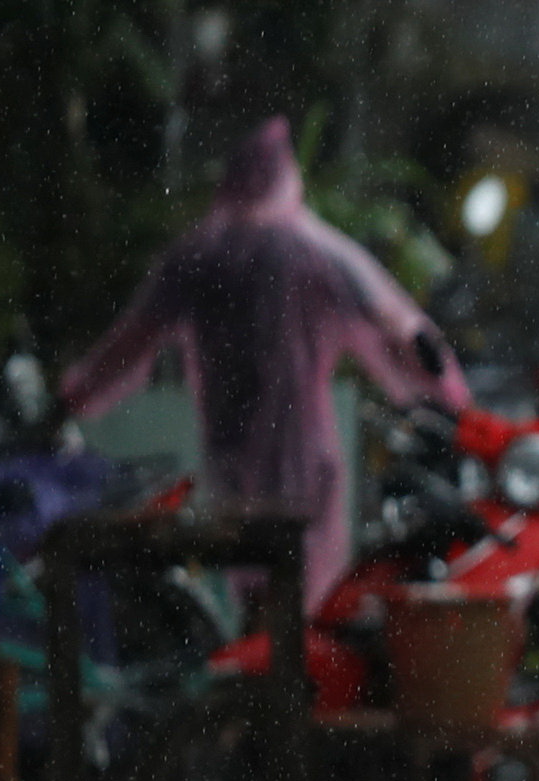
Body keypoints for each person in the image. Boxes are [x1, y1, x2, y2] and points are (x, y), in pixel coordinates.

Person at [61, 118, 470, 601]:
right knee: (304, 588)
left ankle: (259, 661)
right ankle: (287, 665)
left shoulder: (198, 254)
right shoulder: (318, 252)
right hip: (303, 449)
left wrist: (73, 397)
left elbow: (129, 342)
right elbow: (401, 329)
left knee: (249, 569)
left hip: (232, 446)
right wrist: (452, 399)